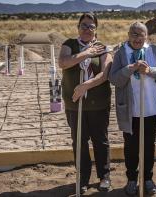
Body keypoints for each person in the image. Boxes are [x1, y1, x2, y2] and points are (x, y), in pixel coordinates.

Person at [109, 22, 156, 196]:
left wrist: (150, 70)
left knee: (149, 147)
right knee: (131, 148)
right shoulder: (121, 53)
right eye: (133, 34)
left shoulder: (154, 51)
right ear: (128, 35)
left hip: (151, 109)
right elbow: (114, 79)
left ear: (146, 36)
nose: (137, 38)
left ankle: (148, 179)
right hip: (131, 111)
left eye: (141, 34)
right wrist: (129, 69)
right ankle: (132, 179)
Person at [58, 13, 112, 194]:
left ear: (96, 29)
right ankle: (83, 177)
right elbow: (63, 63)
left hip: (98, 104)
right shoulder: (69, 45)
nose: (87, 29)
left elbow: (104, 75)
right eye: (84, 25)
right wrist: (85, 54)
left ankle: (104, 175)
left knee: (100, 140)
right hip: (75, 104)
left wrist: (85, 86)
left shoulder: (103, 48)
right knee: (79, 142)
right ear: (78, 27)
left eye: (91, 26)